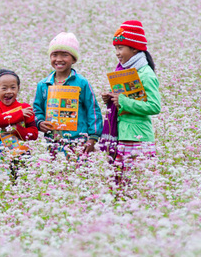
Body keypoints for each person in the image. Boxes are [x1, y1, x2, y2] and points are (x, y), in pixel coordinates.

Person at [101, 20, 161, 172]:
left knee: (138, 182)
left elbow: (154, 106)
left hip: (139, 138)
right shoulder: (124, 71)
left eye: (120, 48)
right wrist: (111, 99)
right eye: (116, 48)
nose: (117, 53)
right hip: (124, 135)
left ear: (134, 49)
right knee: (122, 185)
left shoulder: (145, 74)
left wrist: (122, 101)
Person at [33, 32, 103, 155]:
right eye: (54, 55)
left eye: (65, 55)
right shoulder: (44, 85)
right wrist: (39, 122)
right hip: (53, 141)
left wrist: (93, 137)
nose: (59, 59)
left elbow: (93, 109)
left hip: (78, 141)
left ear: (74, 59)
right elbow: (37, 109)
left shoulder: (82, 83)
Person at [0, 69, 38, 178]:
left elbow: (34, 134)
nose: (9, 91)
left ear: (18, 89)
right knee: (2, 181)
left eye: (13, 87)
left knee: (21, 179)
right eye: (4, 88)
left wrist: (17, 130)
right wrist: (19, 115)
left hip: (21, 152)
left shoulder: (25, 108)